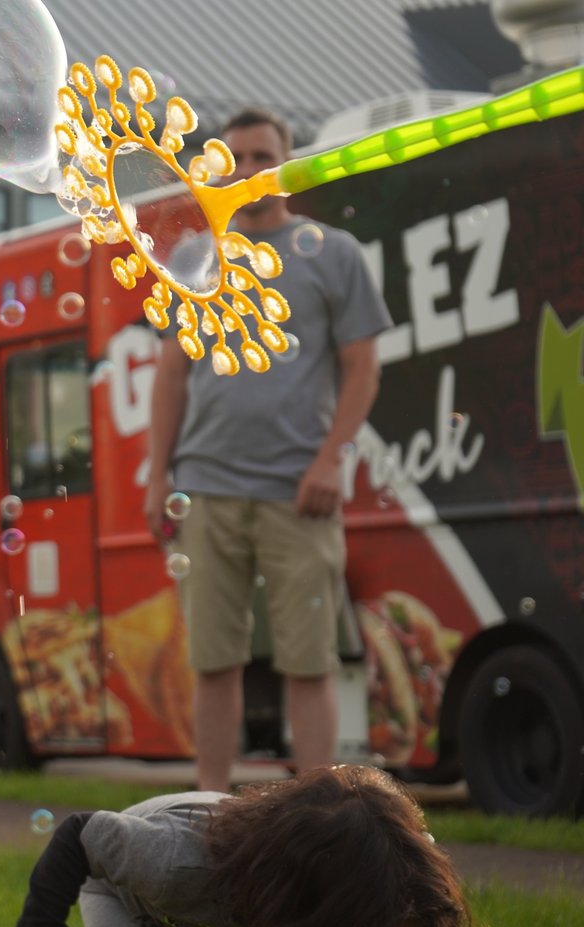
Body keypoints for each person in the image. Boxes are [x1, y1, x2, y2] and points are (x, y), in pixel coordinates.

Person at [145, 107, 391, 792]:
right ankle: (210, 809)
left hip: (298, 489)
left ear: (288, 164)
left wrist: (329, 460)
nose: (249, 170)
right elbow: (170, 378)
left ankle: (316, 818)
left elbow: (363, 368)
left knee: (307, 662)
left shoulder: (333, 253)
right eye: (237, 159)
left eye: (262, 156)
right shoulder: (194, 259)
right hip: (206, 488)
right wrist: (156, 475)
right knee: (214, 661)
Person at [7, 764, 474, 927]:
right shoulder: (173, 864)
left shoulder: (397, 893)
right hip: (120, 895)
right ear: (317, 899)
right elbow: (77, 836)